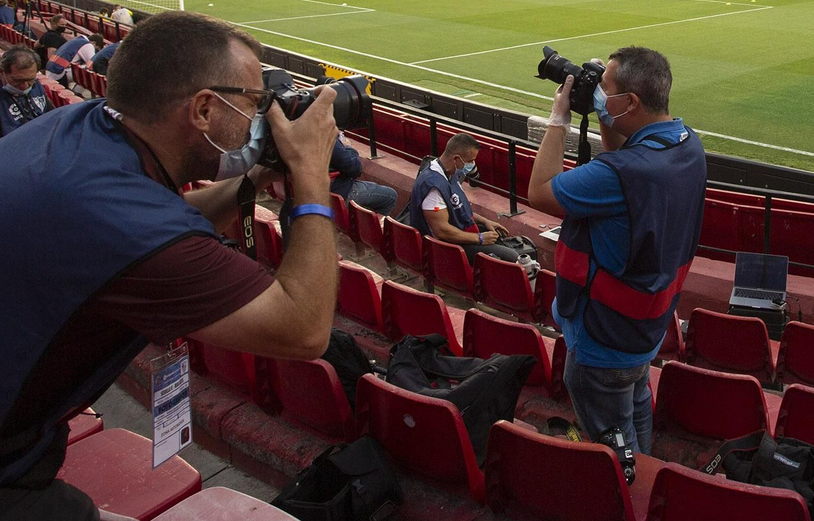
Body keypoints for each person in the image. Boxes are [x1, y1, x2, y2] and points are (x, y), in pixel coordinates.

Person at [0, 10, 342, 520]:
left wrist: (251, 181)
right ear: (203, 110)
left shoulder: (80, 131)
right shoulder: (111, 216)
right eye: (255, 103)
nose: (264, 118)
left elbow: (156, 227)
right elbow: (302, 330)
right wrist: (311, 174)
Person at [528, 47, 707, 454]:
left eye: (603, 89)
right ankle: (643, 466)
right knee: (636, 398)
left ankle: (626, 485)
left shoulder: (622, 175)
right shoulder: (688, 146)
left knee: (613, 440)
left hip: (601, 340)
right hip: (645, 324)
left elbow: (539, 191)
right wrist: (608, 117)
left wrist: (559, 119)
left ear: (631, 102)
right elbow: (623, 162)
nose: (597, 95)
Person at [406, 132, 520, 262]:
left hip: (458, 236)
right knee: (512, 257)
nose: (472, 165)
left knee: (504, 239)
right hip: (445, 248)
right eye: (470, 161)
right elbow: (442, 231)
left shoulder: (449, 173)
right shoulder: (433, 187)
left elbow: (458, 209)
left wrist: (484, 221)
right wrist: (480, 238)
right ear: (456, 159)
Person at [279, 134, 396, 234]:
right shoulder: (324, 136)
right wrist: (349, 148)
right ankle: (371, 235)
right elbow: (354, 169)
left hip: (310, 194)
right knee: (390, 196)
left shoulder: (291, 134)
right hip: (336, 192)